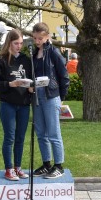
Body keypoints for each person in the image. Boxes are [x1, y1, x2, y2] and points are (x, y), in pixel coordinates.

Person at [0, 29, 34, 181]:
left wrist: (31, 87)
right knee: (9, 137)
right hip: (8, 104)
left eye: (21, 43)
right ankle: (8, 169)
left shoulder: (26, 60)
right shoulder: (0, 60)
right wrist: (10, 84)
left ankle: (17, 167)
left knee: (20, 137)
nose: (19, 46)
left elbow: (31, 79)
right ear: (9, 42)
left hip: (24, 104)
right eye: (16, 43)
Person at [31, 23, 70, 179]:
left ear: (47, 36)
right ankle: (46, 164)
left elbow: (64, 76)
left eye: (40, 38)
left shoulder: (53, 52)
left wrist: (61, 98)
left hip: (51, 96)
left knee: (53, 132)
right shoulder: (34, 53)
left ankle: (59, 165)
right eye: (35, 38)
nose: (37, 41)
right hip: (37, 96)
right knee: (41, 133)